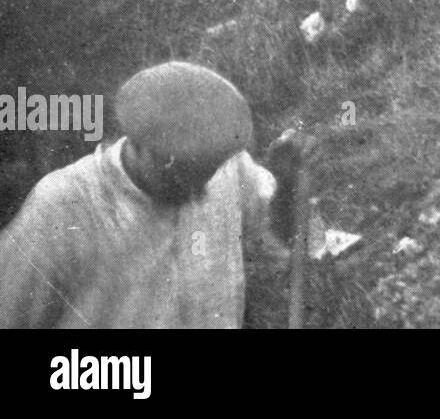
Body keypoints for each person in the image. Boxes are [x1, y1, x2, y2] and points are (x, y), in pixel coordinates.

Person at [0, 62, 300, 329]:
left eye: (207, 172)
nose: (196, 190)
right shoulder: (65, 206)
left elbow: (276, 237)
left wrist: (289, 185)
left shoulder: (228, 169)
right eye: (177, 171)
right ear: (137, 141)